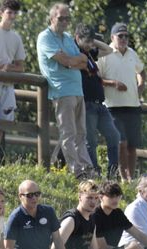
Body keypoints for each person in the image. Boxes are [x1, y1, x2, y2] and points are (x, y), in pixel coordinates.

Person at [36, 3, 92, 178]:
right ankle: (77, 172)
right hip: (62, 91)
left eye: (68, 18)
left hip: (78, 91)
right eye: (61, 18)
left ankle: (87, 170)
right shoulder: (45, 37)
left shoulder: (67, 37)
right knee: (69, 133)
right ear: (52, 18)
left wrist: (71, 61)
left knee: (81, 134)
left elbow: (84, 61)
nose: (65, 22)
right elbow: (66, 61)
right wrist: (72, 61)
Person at [97, 22, 143, 181]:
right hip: (112, 106)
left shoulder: (132, 53)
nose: (124, 39)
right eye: (120, 36)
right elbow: (96, 78)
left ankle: (131, 179)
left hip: (133, 106)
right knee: (121, 142)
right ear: (112, 37)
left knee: (132, 146)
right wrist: (113, 83)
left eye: (126, 36)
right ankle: (124, 178)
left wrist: (141, 85)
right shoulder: (104, 54)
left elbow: (141, 71)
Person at [72, 23, 119, 180]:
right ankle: (94, 173)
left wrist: (92, 40)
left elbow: (109, 50)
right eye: (87, 41)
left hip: (100, 104)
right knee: (90, 141)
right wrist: (78, 41)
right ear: (77, 38)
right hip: (87, 103)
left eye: (91, 42)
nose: (90, 45)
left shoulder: (90, 53)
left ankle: (113, 173)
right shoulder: (74, 52)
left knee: (114, 136)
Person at [0, 0, 24, 162]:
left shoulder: (16, 37)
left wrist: (9, 67)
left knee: (2, 124)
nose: (12, 16)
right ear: (1, 13)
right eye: (9, 12)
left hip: (8, 86)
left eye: (15, 13)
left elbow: (21, 67)